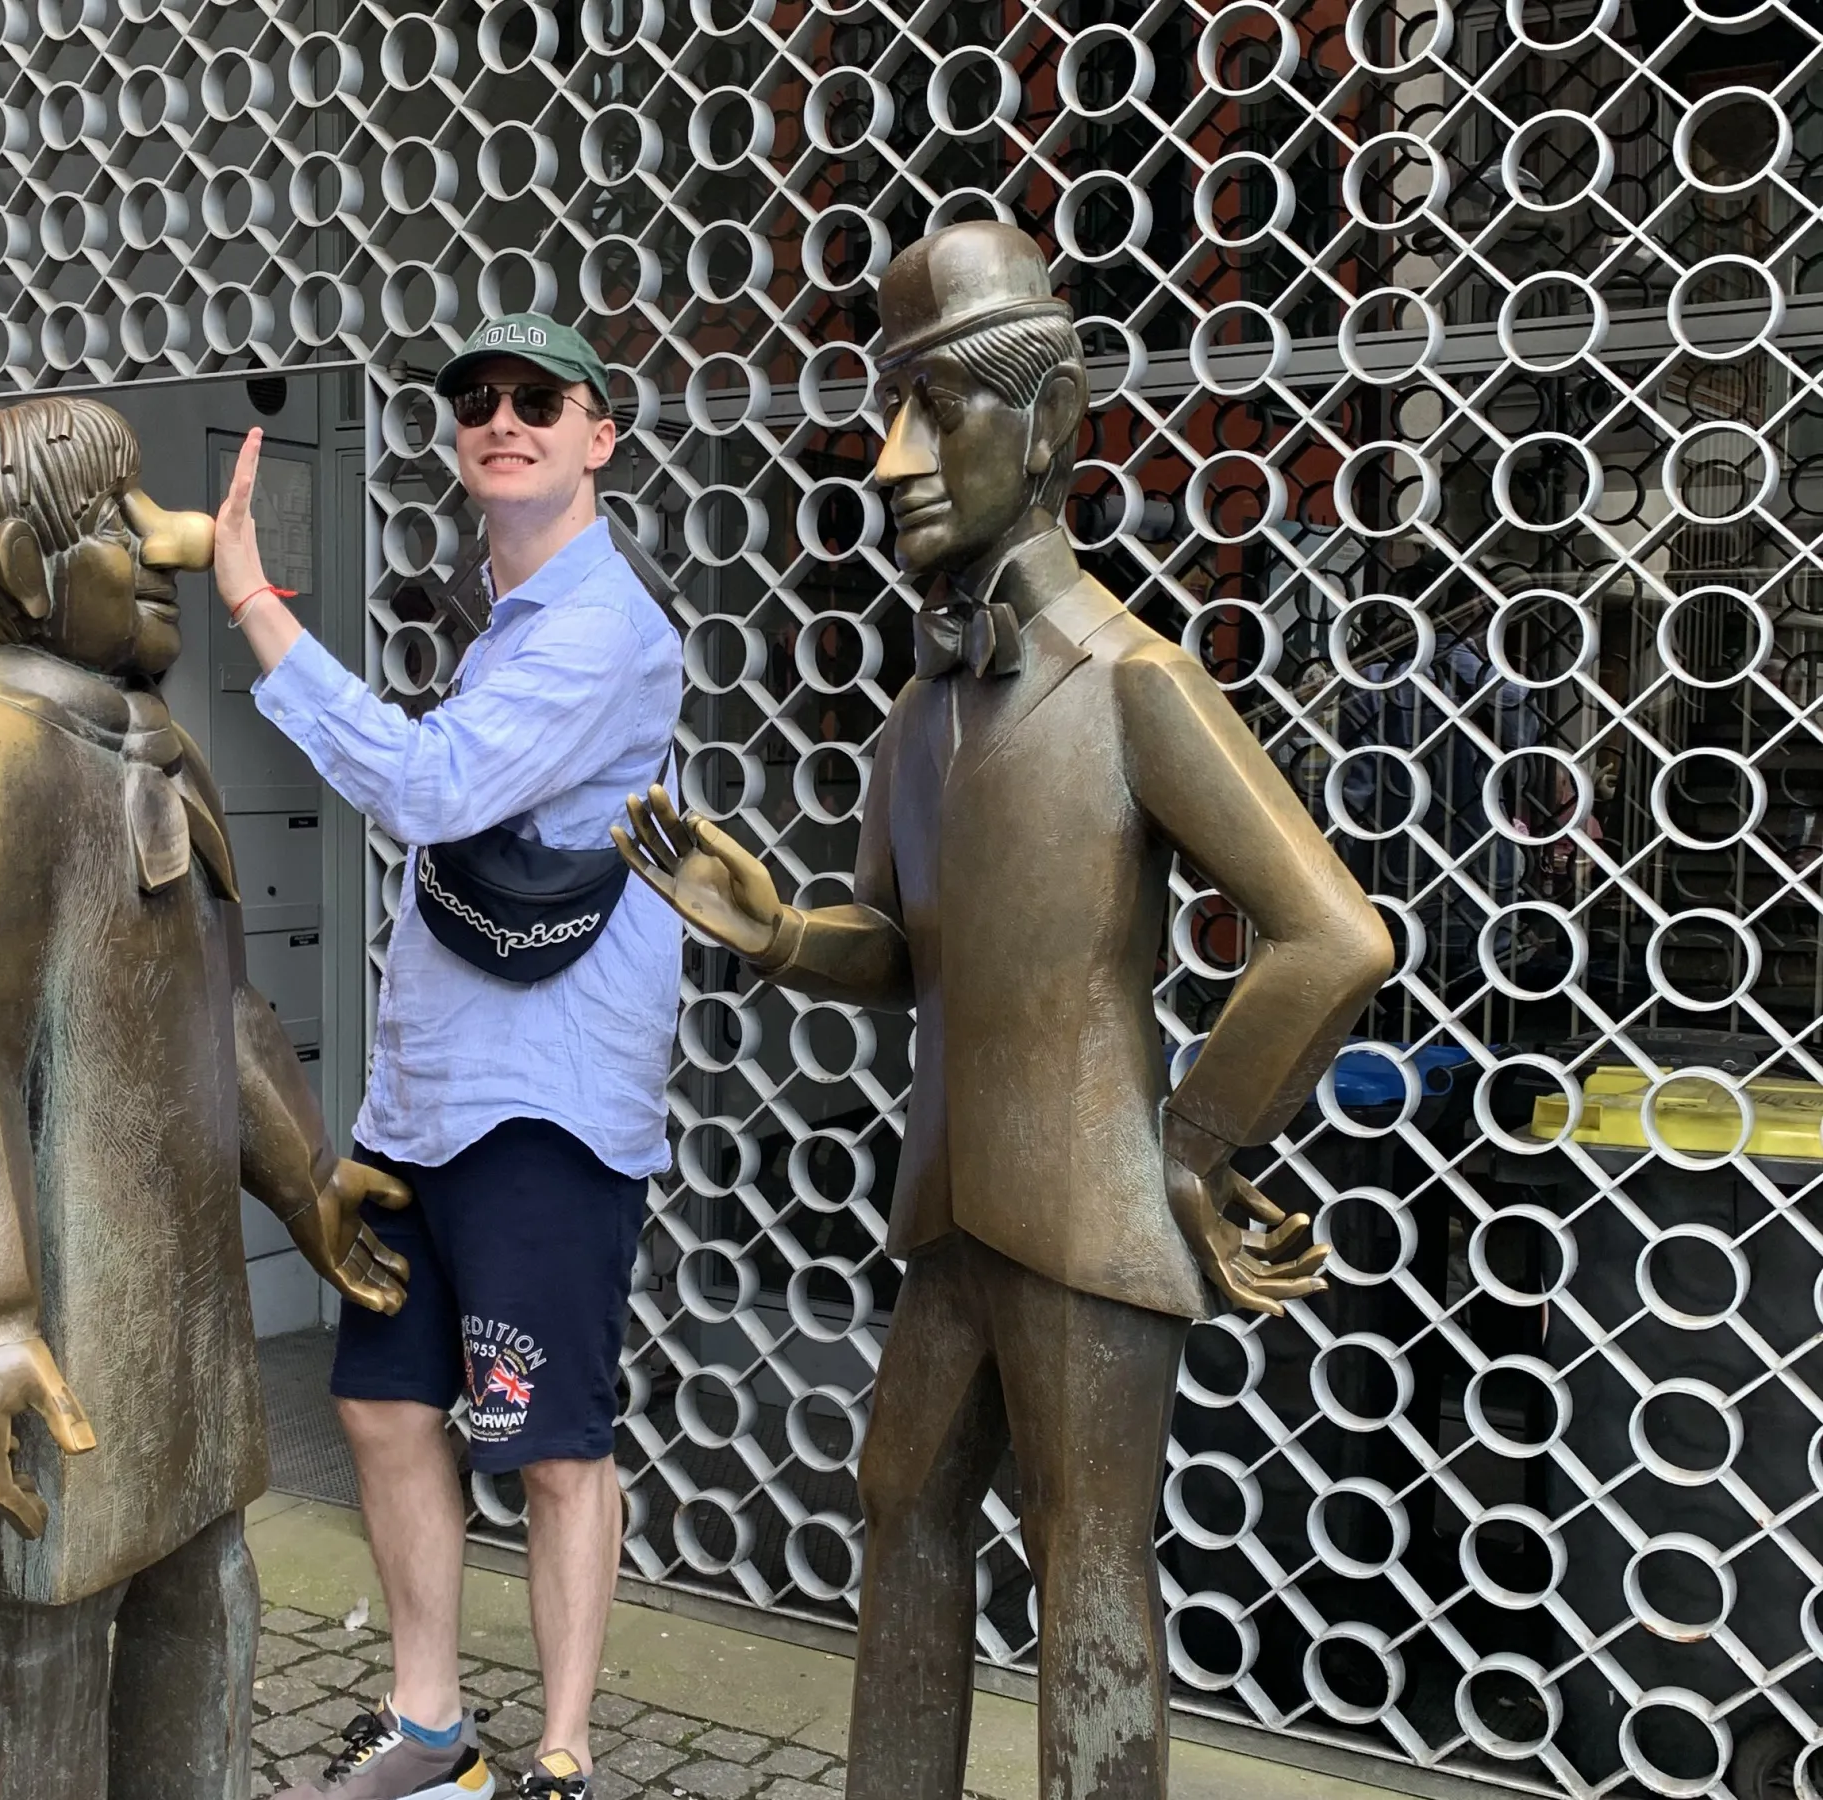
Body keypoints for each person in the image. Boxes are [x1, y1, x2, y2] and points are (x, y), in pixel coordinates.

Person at [617, 223, 1391, 1800]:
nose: (893, 457)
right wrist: (781, 934)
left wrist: (1189, 1145)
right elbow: (906, 949)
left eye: (942, 409)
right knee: (900, 1499)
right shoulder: (916, 716)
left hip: (1085, 1214)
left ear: (1048, 428)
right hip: (953, 1212)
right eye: (888, 408)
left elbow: (1333, 939)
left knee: (1087, 1562)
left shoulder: (1136, 685)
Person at [0, 396, 414, 1800]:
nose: (165, 544)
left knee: (205, 1610)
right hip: (43, 1318)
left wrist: (306, 1176)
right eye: (119, 520)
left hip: (172, 1323)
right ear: (32, 569)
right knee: (28, 1669)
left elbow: (216, 1010)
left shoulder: (150, 748)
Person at [215, 314, 684, 1800]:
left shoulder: (607, 633)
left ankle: (560, 1753)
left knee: (547, 1436)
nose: (503, 417)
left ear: (599, 434)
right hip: (427, 1097)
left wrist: (252, 606)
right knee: (382, 1398)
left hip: (546, 1101)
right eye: (476, 400)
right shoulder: (507, 623)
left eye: (538, 398)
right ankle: (431, 1727)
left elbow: (428, 790)